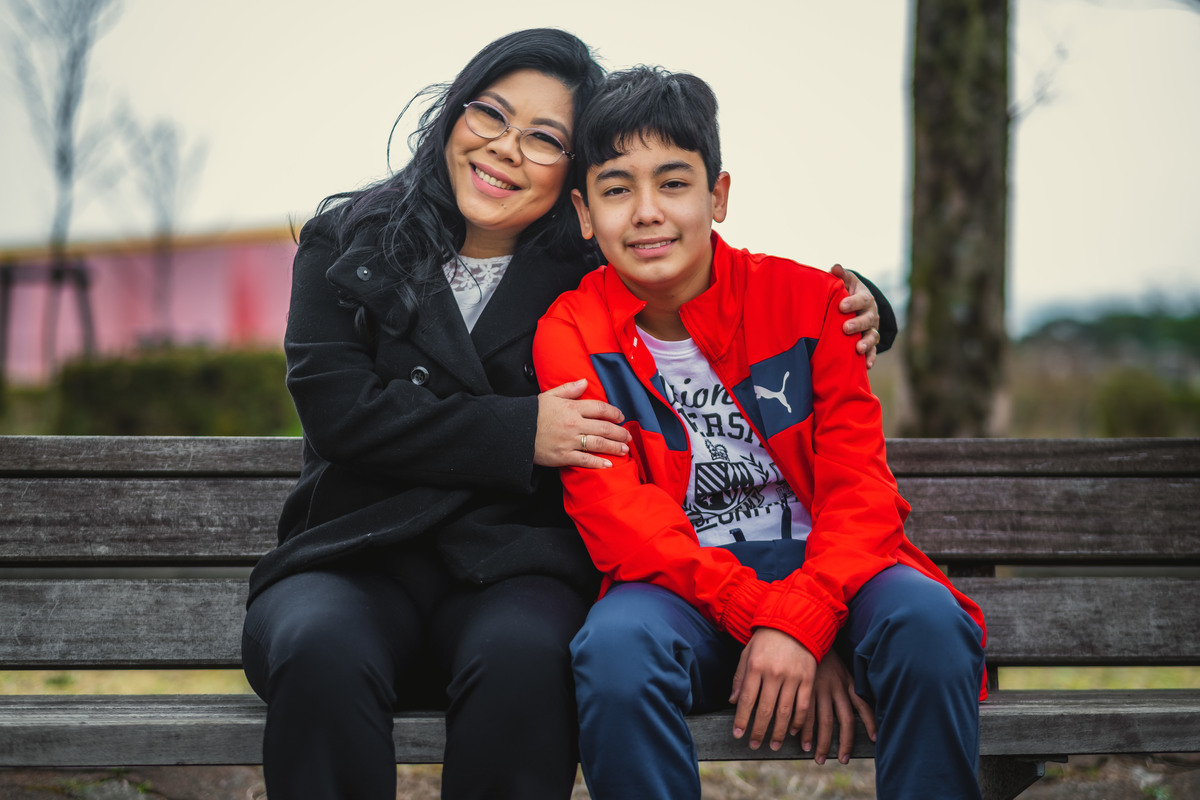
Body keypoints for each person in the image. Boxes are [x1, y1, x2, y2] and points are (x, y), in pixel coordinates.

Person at [241, 29, 895, 800]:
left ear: (577, 183)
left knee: (531, 654)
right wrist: (521, 432)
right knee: (320, 647)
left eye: (545, 138)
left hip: (514, 565)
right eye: (490, 114)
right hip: (352, 556)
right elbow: (340, 412)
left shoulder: (590, 267)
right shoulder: (349, 243)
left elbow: (711, 275)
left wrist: (866, 303)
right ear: (453, 116)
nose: (507, 148)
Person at [533, 66, 988, 800]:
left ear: (717, 196)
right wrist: (772, 620)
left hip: (836, 573)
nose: (647, 212)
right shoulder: (571, 331)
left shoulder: (812, 304)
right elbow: (621, 520)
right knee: (615, 652)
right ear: (585, 213)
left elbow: (859, 490)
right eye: (618, 189)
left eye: (673, 182)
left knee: (929, 625)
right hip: (682, 588)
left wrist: (810, 617)